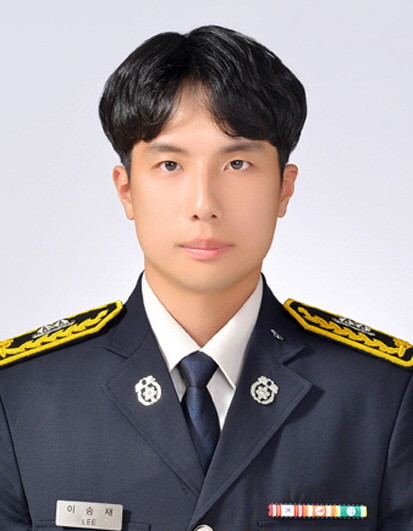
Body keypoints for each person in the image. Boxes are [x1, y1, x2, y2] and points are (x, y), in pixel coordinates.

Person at [0, 25, 412, 531]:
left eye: (237, 163)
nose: (204, 204)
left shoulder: (383, 395)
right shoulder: (21, 396)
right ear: (126, 190)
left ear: (284, 189)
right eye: (170, 164)